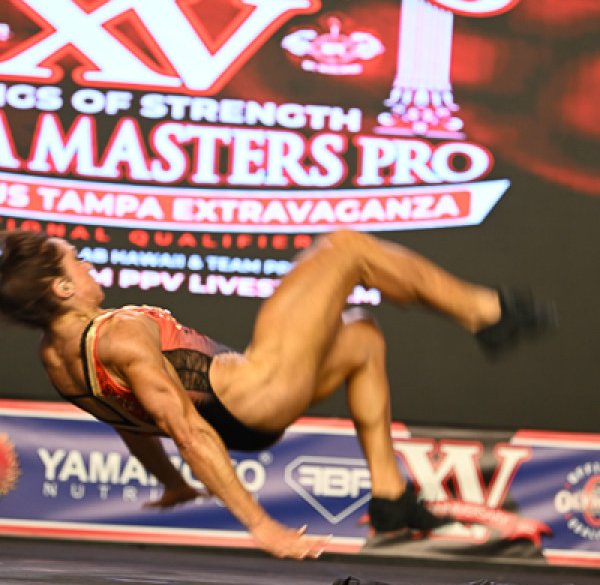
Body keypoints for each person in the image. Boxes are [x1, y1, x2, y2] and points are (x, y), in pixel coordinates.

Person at [0, 228, 555, 559]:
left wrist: (171, 482)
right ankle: (487, 313)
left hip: (249, 413)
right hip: (258, 390)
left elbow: (130, 420)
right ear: (63, 288)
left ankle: (391, 499)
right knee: (345, 249)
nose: (88, 263)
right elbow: (186, 431)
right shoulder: (119, 334)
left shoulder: (58, 359)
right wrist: (262, 526)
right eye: (77, 260)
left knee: (361, 337)